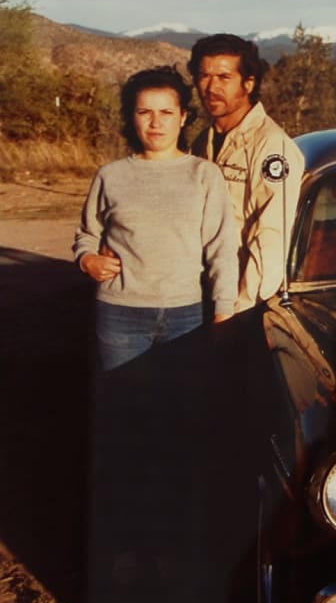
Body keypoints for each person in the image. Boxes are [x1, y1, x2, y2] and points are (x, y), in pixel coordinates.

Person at [74, 66, 238, 371]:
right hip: (120, 313)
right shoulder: (111, 176)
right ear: (131, 116)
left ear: (183, 116)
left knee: (181, 411)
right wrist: (87, 260)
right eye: (144, 111)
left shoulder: (204, 175)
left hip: (188, 315)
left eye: (166, 111)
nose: (156, 122)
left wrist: (224, 311)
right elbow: (87, 235)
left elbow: (222, 249)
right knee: (123, 407)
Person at [188, 33, 305, 313]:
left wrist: (240, 309)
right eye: (204, 76)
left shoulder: (270, 146)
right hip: (200, 292)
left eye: (224, 77)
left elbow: (271, 236)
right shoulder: (202, 142)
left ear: (248, 83)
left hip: (239, 302)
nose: (211, 87)